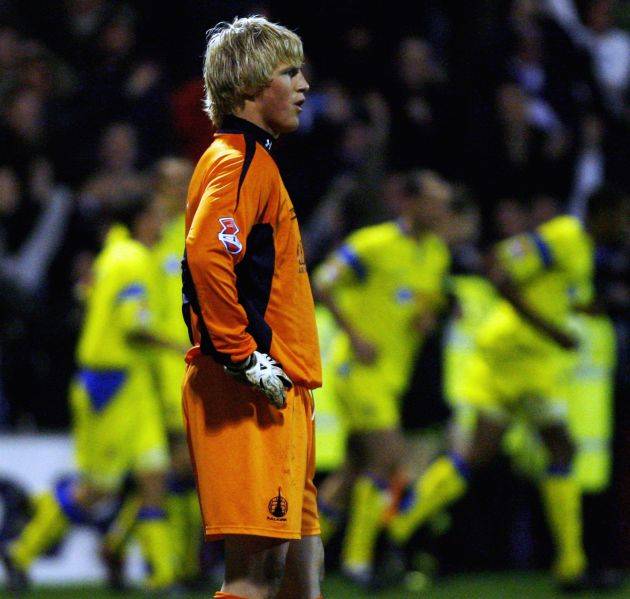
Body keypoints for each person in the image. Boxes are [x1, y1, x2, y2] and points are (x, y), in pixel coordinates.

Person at [388, 190, 628, 590]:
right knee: (560, 448)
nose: (623, 226)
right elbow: (499, 268)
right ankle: (571, 565)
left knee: (478, 454)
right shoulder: (564, 236)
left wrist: (585, 310)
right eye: (621, 215)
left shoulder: (582, 250)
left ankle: (397, 529)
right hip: (518, 360)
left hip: (521, 361)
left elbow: (554, 297)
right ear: (601, 213)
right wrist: (551, 330)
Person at [181, 16, 323, 599]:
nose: (304, 84)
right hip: (249, 389)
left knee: (298, 573)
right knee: (254, 575)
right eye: (289, 72)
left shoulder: (255, 161)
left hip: (282, 388)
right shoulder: (235, 160)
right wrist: (242, 357)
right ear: (247, 86)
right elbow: (206, 253)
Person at [1, 195, 178, 592]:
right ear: (140, 221)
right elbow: (134, 324)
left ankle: (162, 576)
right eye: (155, 216)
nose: (161, 224)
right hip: (111, 386)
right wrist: (180, 347)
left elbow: (85, 294)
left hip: (132, 383)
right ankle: (23, 551)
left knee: (154, 475)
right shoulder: (132, 259)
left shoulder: (112, 255)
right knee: (98, 489)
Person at [313, 170, 453, 587]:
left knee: (355, 470)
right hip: (359, 370)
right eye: (435, 200)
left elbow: (431, 298)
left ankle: (297, 555)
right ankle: (359, 564)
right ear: (410, 203)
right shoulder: (372, 244)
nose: (443, 209)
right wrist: (354, 334)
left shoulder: (436, 254)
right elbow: (322, 283)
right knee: (389, 457)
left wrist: (431, 314)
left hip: (392, 376)